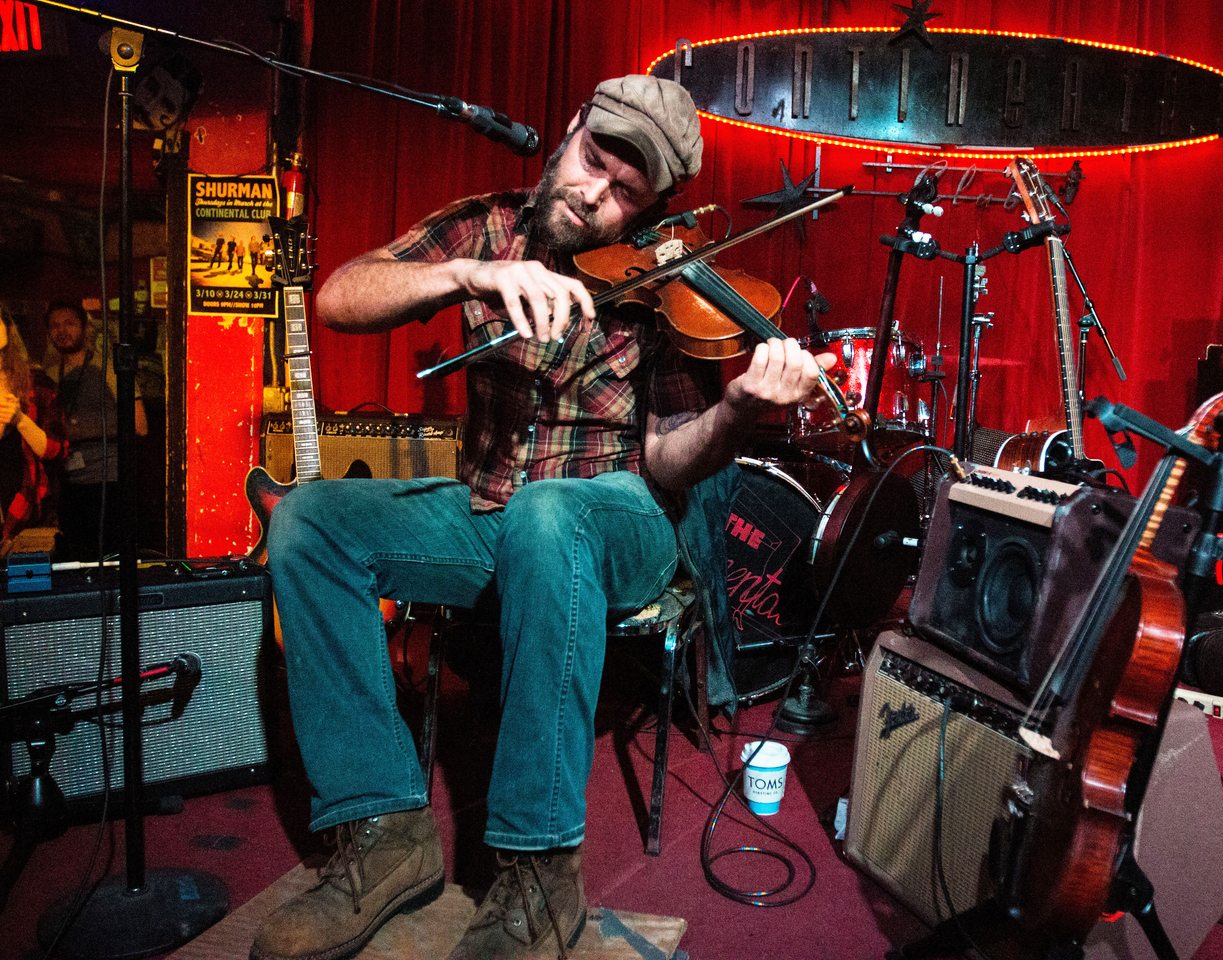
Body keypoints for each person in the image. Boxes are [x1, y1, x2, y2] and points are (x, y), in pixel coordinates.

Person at [252, 75, 834, 960]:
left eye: (624, 195)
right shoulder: (489, 225)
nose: (593, 195)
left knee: (551, 516)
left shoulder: (667, 282)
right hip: (491, 507)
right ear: (568, 132)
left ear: (653, 208)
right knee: (310, 521)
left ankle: (538, 874)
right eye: (591, 162)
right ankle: (383, 834)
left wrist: (738, 414)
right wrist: (466, 273)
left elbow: (671, 457)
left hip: (621, 519)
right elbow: (337, 298)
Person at [43, 301, 147, 561]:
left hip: (109, 482)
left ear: (86, 329)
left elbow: (140, 426)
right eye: (54, 326)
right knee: (74, 564)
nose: (62, 331)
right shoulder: (47, 376)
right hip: (66, 486)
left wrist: (77, 430)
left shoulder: (113, 369)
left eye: (69, 323)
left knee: (110, 560)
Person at [0, 306, 63, 547]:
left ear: (8, 329)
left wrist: (19, 419)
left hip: (25, 507)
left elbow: (56, 450)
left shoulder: (36, 383)